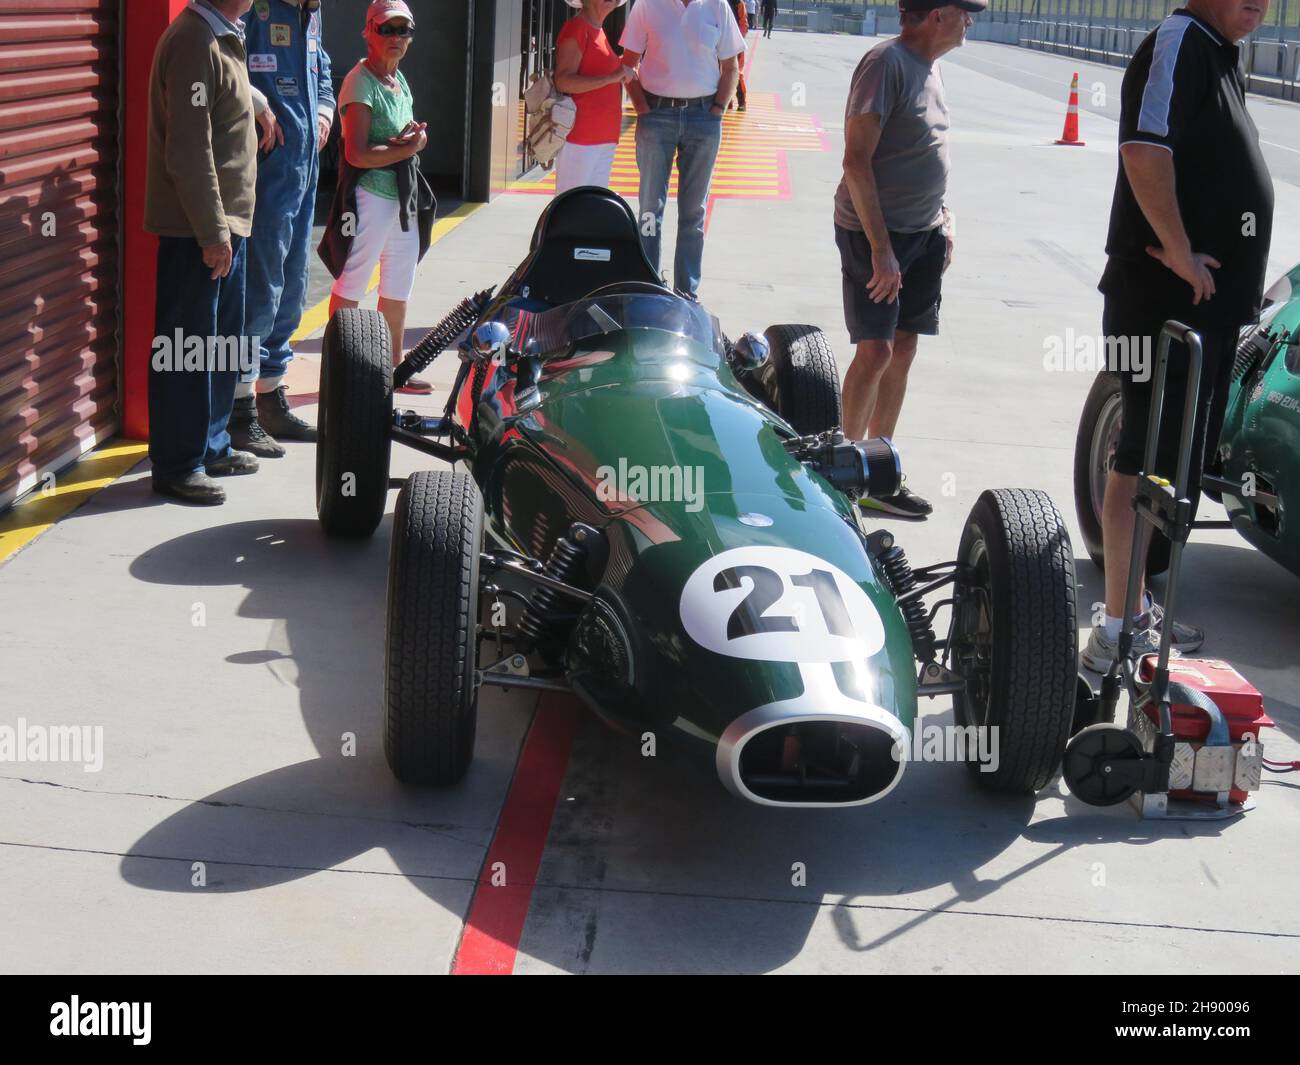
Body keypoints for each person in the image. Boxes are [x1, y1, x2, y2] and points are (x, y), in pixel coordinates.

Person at [1080, 0, 1274, 671]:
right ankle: (1120, 622)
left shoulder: (1218, 53)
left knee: (1166, 462)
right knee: (1139, 456)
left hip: (1199, 311)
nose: (1260, 3)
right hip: (1161, 306)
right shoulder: (1178, 43)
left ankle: (1131, 607)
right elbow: (1142, 148)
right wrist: (1177, 246)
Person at [833, 0, 981, 518]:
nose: (972, 20)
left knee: (904, 346)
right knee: (875, 351)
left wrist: (943, 218)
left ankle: (879, 471)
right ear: (938, 14)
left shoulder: (932, 67)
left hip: (923, 234)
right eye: (967, 11)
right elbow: (856, 160)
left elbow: (924, 148)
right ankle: (843, 477)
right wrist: (881, 251)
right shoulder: (885, 65)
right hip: (877, 234)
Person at [144, 0, 280, 504]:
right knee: (185, 350)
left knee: (222, 343)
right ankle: (179, 463)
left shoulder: (224, 35)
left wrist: (259, 104)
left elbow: (224, 103)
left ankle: (213, 444)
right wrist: (211, 232)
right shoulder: (194, 41)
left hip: (227, 223)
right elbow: (189, 147)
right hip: (197, 230)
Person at [231, 0, 334, 458]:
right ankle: (239, 410)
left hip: (303, 172)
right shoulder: (256, 10)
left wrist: (327, 111)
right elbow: (221, 62)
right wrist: (255, 101)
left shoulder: (311, 13)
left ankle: (271, 398)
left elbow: (323, 67)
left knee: (291, 287)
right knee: (260, 288)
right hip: (265, 174)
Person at [325, 0, 431, 393]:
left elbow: (394, 141)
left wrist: (412, 139)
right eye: (387, 29)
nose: (396, 38)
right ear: (368, 31)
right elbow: (357, 153)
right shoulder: (360, 81)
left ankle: (393, 370)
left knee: (398, 285)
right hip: (370, 198)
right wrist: (411, 148)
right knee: (352, 283)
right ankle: (338, 372)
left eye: (404, 31)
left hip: (401, 198)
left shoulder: (398, 80)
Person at [621, 0, 745, 298]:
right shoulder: (648, 5)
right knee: (651, 209)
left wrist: (718, 109)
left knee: (694, 211)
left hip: (704, 118)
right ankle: (648, 286)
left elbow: (731, 66)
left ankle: (686, 293)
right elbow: (628, 64)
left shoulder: (716, 6)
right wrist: (642, 108)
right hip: (657, 115)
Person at [553, 0, 634, 194]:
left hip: (602, 138)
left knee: (591, 209)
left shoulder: (597, 30)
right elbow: (562, 81)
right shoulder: (577, 28)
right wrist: (611, 77)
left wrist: (617, 72)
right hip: (581, 138)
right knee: (571, 208)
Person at [730, 1, 749, 111]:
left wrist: (736, 41)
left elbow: (744, 25)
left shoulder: (739, 3)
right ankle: (728, 100)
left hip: (735, 44)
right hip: (721, 42)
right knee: (720, 73)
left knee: (737, 73)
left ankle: (742, 101)